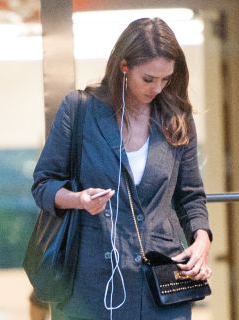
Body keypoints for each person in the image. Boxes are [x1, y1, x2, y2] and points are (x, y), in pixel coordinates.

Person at [32, 17, 212, 320]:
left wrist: (202, 240)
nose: (158, 88)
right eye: (149, 78)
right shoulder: (81, 110)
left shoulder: (177, 118)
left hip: (165, 284)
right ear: (124, 66)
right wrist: (79, 200)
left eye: (166, 79)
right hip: (92, 285)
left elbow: (191, 196)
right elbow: (43, 185)